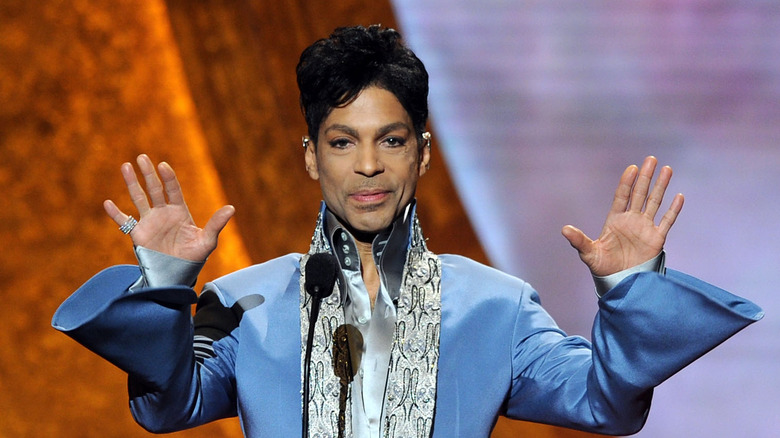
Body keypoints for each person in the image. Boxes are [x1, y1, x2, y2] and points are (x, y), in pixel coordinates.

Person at [52, 25, 762, 438]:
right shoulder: (238, 301)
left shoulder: (497, 305)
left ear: (423, 152)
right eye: (341, 142)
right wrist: (168, 286)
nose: (367, 166)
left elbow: (605, 402)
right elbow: (166, 405)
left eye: (391, 141)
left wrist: (631, 288)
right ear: (309, 157)